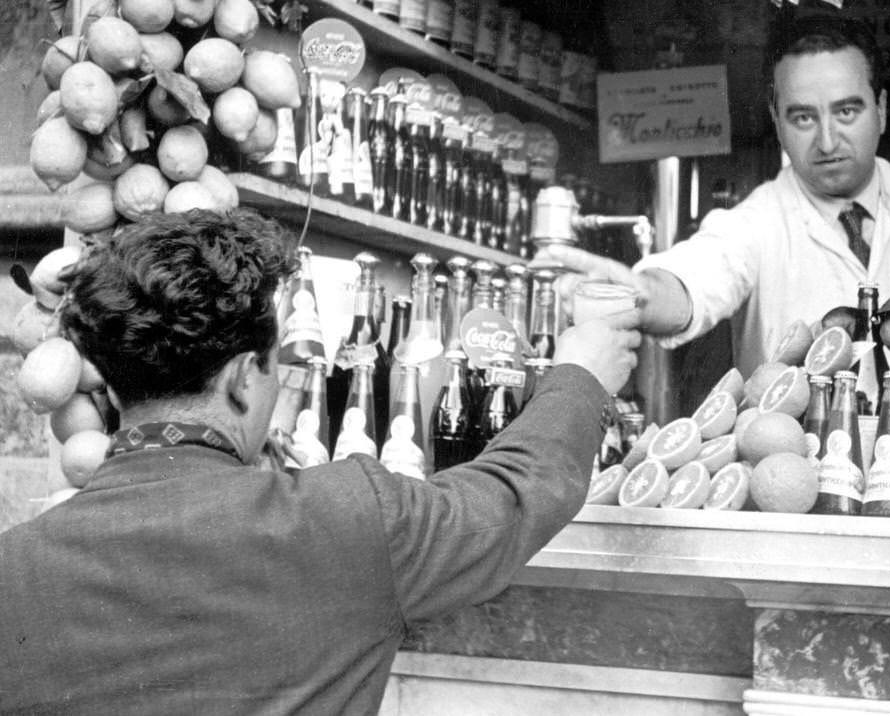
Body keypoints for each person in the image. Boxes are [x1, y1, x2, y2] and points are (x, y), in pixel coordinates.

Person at [0, 209, 640, 716]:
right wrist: (580, 377)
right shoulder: (351, 519)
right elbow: (513, 493)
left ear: (106, 388)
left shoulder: (15, 566)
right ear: (246, 379)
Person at [538, 16, 890, 377]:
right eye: (803, 117)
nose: (828, 141)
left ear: (882, 109)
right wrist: (640, 294)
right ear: (775, 118)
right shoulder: (753, 222)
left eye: (847, 111)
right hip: (793, 489)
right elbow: (694, 280)